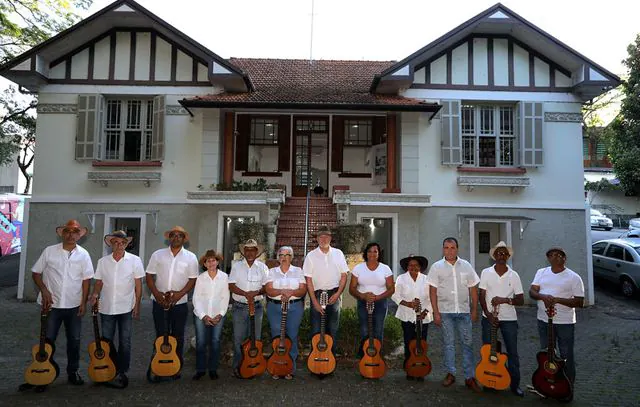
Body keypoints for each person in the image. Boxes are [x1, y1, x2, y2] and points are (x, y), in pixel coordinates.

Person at [31, 219, 94, 388]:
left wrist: (83, 302)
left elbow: (86, 280)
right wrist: (44, 290)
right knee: (47, 341)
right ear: (62, 234)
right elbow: (36, 273)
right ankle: (45, 372)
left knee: (74, 340)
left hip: (74, 305)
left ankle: (73, 372)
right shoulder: (49, 251)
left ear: (79, 236)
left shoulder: (84, 254)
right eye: (68, 231)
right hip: (51, 305)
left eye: (75, 232)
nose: (71, 235)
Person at [89, 230, 145, 388]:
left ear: (127, 244)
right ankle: (108, 369)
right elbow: (98, 282)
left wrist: (137, 305)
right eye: (116, 242)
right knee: (106, 342)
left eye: (123, 243)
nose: (119, 245)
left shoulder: (135, 260)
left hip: (126, 306)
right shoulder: (102, 262)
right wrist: (94, 294)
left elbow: (138, 285)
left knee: (125, 341)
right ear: (111, 244)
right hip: (106, 307)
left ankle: (122, 370)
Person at [427, 236, 481, 392]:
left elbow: (473, 289)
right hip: (445, 312)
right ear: (443, 249)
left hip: (464, 312)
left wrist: (474, 310)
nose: (449, 250)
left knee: (468, 344)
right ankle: (451, 373)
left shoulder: (467, 266)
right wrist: (435, 312)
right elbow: (433, 291)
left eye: (452, 247)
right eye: (446, 247)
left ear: (457, 249)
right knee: (449, 344)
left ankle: (469, 377)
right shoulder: (436, 267)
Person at [145, 226, 199, 379]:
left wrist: (179, 295)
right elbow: (149, 276)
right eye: (173, 235)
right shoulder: (157, 255)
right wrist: (157, 294)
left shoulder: (191, 257)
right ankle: (157, 367)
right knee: (161, 334)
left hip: (179, 303)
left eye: (179, 235)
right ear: (169, 237)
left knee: (178, 336)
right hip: (159, 301)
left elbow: (192, 279)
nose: (176, 237)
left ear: (184, 239)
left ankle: (175, 367)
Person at [529, 247, 584, 385]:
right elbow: (532, 292)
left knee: (566, 356)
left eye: (560, 255)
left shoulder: (573, 277)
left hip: (565, 323)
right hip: (543, 320)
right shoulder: (541, 272)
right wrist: (543, 297)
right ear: (548, 258)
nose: (556, 257)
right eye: (552, 255)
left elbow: (579, 302)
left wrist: (557, 300)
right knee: (547, 355)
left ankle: (567, 387)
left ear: (565, 259)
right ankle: (547, 385)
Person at [478, 241, 524, 397]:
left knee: (512, 352)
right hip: (489, 318)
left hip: (509, 319)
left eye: (504, 253)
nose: (501, 256)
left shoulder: (514, 275)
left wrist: (505, 300)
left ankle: (515, 385)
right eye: (498, 253)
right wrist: (488, 314)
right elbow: (481, 296)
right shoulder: (486, 272)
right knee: (488, 351)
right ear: (494, 256)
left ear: (508, 256)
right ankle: (489, 381)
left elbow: (521, 299)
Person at [303, 225, 350, 354]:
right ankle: (316, 359)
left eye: (326, 236)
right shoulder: (311, 256)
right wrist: (314, 302)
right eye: (321, 237)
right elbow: (308, 281)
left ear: (330, 238)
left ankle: (331, 359)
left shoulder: (338, 253)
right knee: (316, 329)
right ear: (317, 239)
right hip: (317, 294)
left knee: (333, 329)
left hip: (334, 294)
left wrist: (338, 294)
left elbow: (344, 275)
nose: (323, 239)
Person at [264, 246, 307, 379]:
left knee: (292, 336)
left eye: (287, 255)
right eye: (281, 255)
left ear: (292, 257)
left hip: (294, 307)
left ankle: (290, 368)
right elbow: (269, 290)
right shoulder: (271, 271)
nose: (284, 257)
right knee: (277, 337)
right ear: (278, 257)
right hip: (275, 308)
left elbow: (303, 289)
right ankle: (276, 367)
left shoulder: (298, 271)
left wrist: (291, 293)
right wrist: (282, 292)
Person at [229, 239, 269, 378]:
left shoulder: (263, 267)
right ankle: (238, 367)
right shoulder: (236, 266)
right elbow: (231, 285)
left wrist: (256, 293)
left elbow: (266, 287)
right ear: (244, 252)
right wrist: (245, 294)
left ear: (256, 252)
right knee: (238, 339)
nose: (250, 252)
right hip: (239, 307)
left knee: (255, 339)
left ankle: (253, 366)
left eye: (253, 250)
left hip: (256, 307)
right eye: (247, 249)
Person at [349, 242, 395, 359]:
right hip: (363, 302)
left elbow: (391, 289)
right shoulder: (358, 268)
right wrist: (363, 296)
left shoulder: (385, 268)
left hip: (380, 303)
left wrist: (378, 297)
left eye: (375, 251)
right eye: (370, 251)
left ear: (379, 254)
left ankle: (377, 357)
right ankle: (365, 357)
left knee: (378, 330)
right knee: (364, 330)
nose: (372, 254)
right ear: (366, 253)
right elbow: (352, 288)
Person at [391, 254, 432, 380]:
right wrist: (408, 303)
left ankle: (421, 368)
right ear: (407, 267)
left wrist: (425, 311)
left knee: (422, 343)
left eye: (416, 265)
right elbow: (395, 295)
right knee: (409, 342)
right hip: (406, 315)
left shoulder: (426, 279)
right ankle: (410, 368)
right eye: (410, 265)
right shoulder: (401, 279)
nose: (413, 267)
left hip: (423, 317)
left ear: (420, 267)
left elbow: (432, 297)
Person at [192, 250, 229, 381]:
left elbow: (225, 297)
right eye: (208, 261)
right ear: (205, 264)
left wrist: (220, 314)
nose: (211, 263)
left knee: (215, 342)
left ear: (218, 262)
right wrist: (203, 316)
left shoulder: (224, 277)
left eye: (214, 260)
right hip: (201, 315)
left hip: (218, 315)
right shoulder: (200, 278)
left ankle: (213, 369)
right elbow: (196, 299)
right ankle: (200, 370)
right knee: (201, 342)